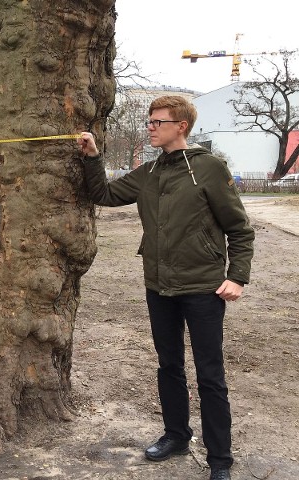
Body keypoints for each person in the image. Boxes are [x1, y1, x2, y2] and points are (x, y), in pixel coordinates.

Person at [76, 96, 254, 480]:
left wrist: (237, 276)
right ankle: (176, 435)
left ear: (181, 126)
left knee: (210, 374)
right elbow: (104, 195)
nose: (150, 127)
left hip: (203, 288)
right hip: (159, 286)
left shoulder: (208, 169)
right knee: (168, 365)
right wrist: (92, 157)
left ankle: (219, 461)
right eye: (150, 122)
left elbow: (239, 228)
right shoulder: (150, 171)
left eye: (157, 122)